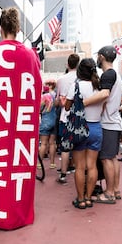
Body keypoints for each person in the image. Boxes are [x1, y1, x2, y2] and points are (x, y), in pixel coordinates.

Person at [0, 7, 42, 229]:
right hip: (22, 123)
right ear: (17, 29)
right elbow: (37, 86)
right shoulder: (30, 54)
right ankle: (18, 212)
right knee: (19, 164)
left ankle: (0, 212)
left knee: (0, 164)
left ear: (0, 28)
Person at [83, 45, 122, 203]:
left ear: (101, 56)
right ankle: (116, 189)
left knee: (106, 159)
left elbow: (104, 95)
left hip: (108, 123)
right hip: (115, 122)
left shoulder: (108, 74)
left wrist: (84, 102)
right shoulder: (116, 75)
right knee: (112, 158)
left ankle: (109, 193)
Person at [65, 58, 103, 209]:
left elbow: (67, 107)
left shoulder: (76, 86)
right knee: (92, 166)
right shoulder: (100, 88)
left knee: (80, 167)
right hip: (95, 127)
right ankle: (88, 198)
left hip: (79, 128)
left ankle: (80, 199)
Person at [56, 53, 80, 184]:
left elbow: (59, 101)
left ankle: (63, 174)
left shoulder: (61, 80)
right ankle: (78, 171)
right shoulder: (83, 79)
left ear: (68, 64)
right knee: (78, 147)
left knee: (65, 147)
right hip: (79, 117)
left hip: (65, 116)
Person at [38, 80, 57, 170]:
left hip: (45, 121)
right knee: (52, 143)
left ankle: (39, 163)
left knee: (44, 144)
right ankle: (52, 163)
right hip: (54, 120)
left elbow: (39, 109)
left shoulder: (44, 96)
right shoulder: (54, 95)